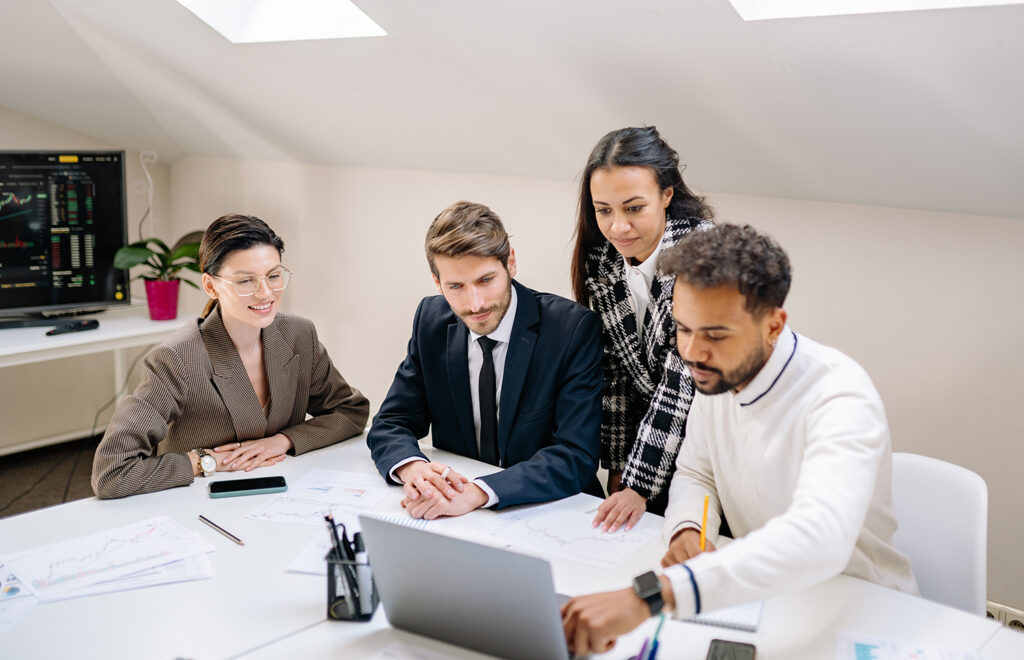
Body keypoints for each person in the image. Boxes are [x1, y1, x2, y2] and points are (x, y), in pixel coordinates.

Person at [561, 224, 917, 655]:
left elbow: (819, 538)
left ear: (773, 324)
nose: (692, 352)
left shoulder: (839, 396)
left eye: (715, 335)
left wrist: (654, 594)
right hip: (770, 601)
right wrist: (690, 529)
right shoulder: (718, 376)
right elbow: (697, 471)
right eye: (683, 328)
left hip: (861, 613)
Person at [92, 214, 369, 498]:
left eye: (273, 276)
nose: (266, 293)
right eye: (245, 281)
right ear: (211, 286)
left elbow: (351, 411)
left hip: (284, 494)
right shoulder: (176, 359)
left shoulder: (299, 335)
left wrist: (284, 440)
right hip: (199, 506)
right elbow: (111, 473)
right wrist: (204, 461)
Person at [366, 201, 603, 519]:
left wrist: (476, 493)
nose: (474, 303)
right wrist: (413, 469)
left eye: (485, 280)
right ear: (437, 283)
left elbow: (576, 456)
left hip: (551, 513)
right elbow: (391, 422)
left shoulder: (571, 330)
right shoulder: (430, 321)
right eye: (456, 287)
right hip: (460, 519)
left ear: (511, 263)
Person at [571, 126, 713, 531]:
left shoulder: (702, 257)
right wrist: (617, 469)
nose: (618, 227)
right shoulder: (602, 260)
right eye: (604, 210)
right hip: (646, 445)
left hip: (707, 445)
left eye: (634, 208)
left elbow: (679, 382)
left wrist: (638, 483)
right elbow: (615, 372)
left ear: (666, 194)